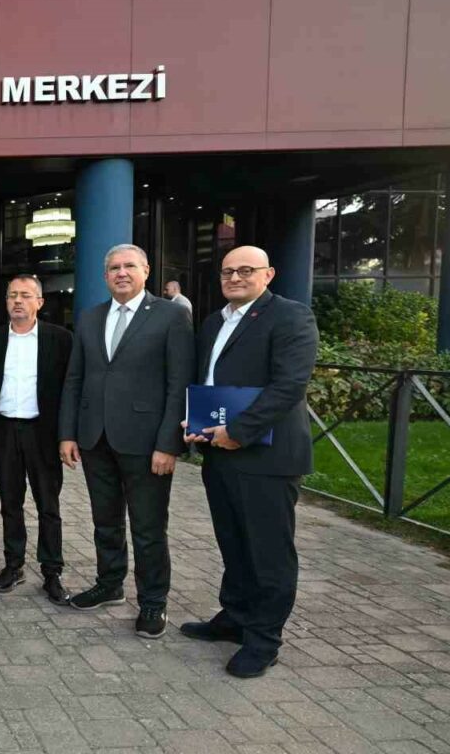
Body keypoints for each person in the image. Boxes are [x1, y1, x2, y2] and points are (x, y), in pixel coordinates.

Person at [181, 246, 318, 679]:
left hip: (266, 457)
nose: (235, 277)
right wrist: (197, 421)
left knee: (269, 552)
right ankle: (235, 617)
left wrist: (238, 431)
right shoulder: (213, 322)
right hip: (220, 455)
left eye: (245, 270)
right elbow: (210, 382)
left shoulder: (290, 316)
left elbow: (289, 385)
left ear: (268, 274)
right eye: (227, 271)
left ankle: (263, 639)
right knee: (234, 543)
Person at [58, 244, 193, 639]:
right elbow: (75, 379)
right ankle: (109, 584)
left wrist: (169, 443)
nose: (121, 273)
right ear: (105, 276)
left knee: (148, 528)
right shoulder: (90, 317)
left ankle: (153, 601)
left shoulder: (171, 315)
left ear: (146, 270)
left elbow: (179, 382)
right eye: (114, 267)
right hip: (94, 438)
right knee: (105, 521)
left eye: (129, 266)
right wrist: (68, 433)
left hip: (146, 443)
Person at [0, 274, 72, 604]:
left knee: (49, 505)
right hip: (4, 432)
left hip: (43, 434)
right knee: (10, 504)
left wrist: (67, 436)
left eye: (25, 295)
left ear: (40, 302)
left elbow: (70, 391)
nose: (18, 301)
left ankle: (52, 572)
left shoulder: (60, 339)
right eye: (12, 295)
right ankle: (13, 565)